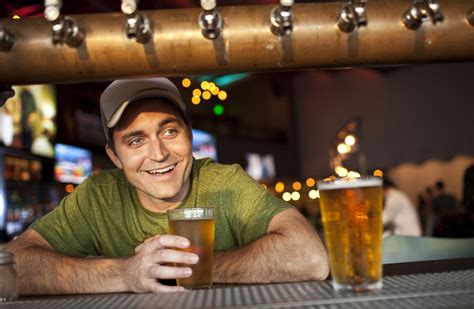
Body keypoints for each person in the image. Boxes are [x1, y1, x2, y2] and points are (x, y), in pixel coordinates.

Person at [5, 78, 329, 295]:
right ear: (114, 156)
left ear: (189, 135)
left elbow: (311, 258)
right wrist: (125, 274)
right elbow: (10, 266)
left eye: (170, 132)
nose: (158, 154)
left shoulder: (224, 182)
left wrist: (193, 267)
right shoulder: (98, 196)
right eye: (135, 140)